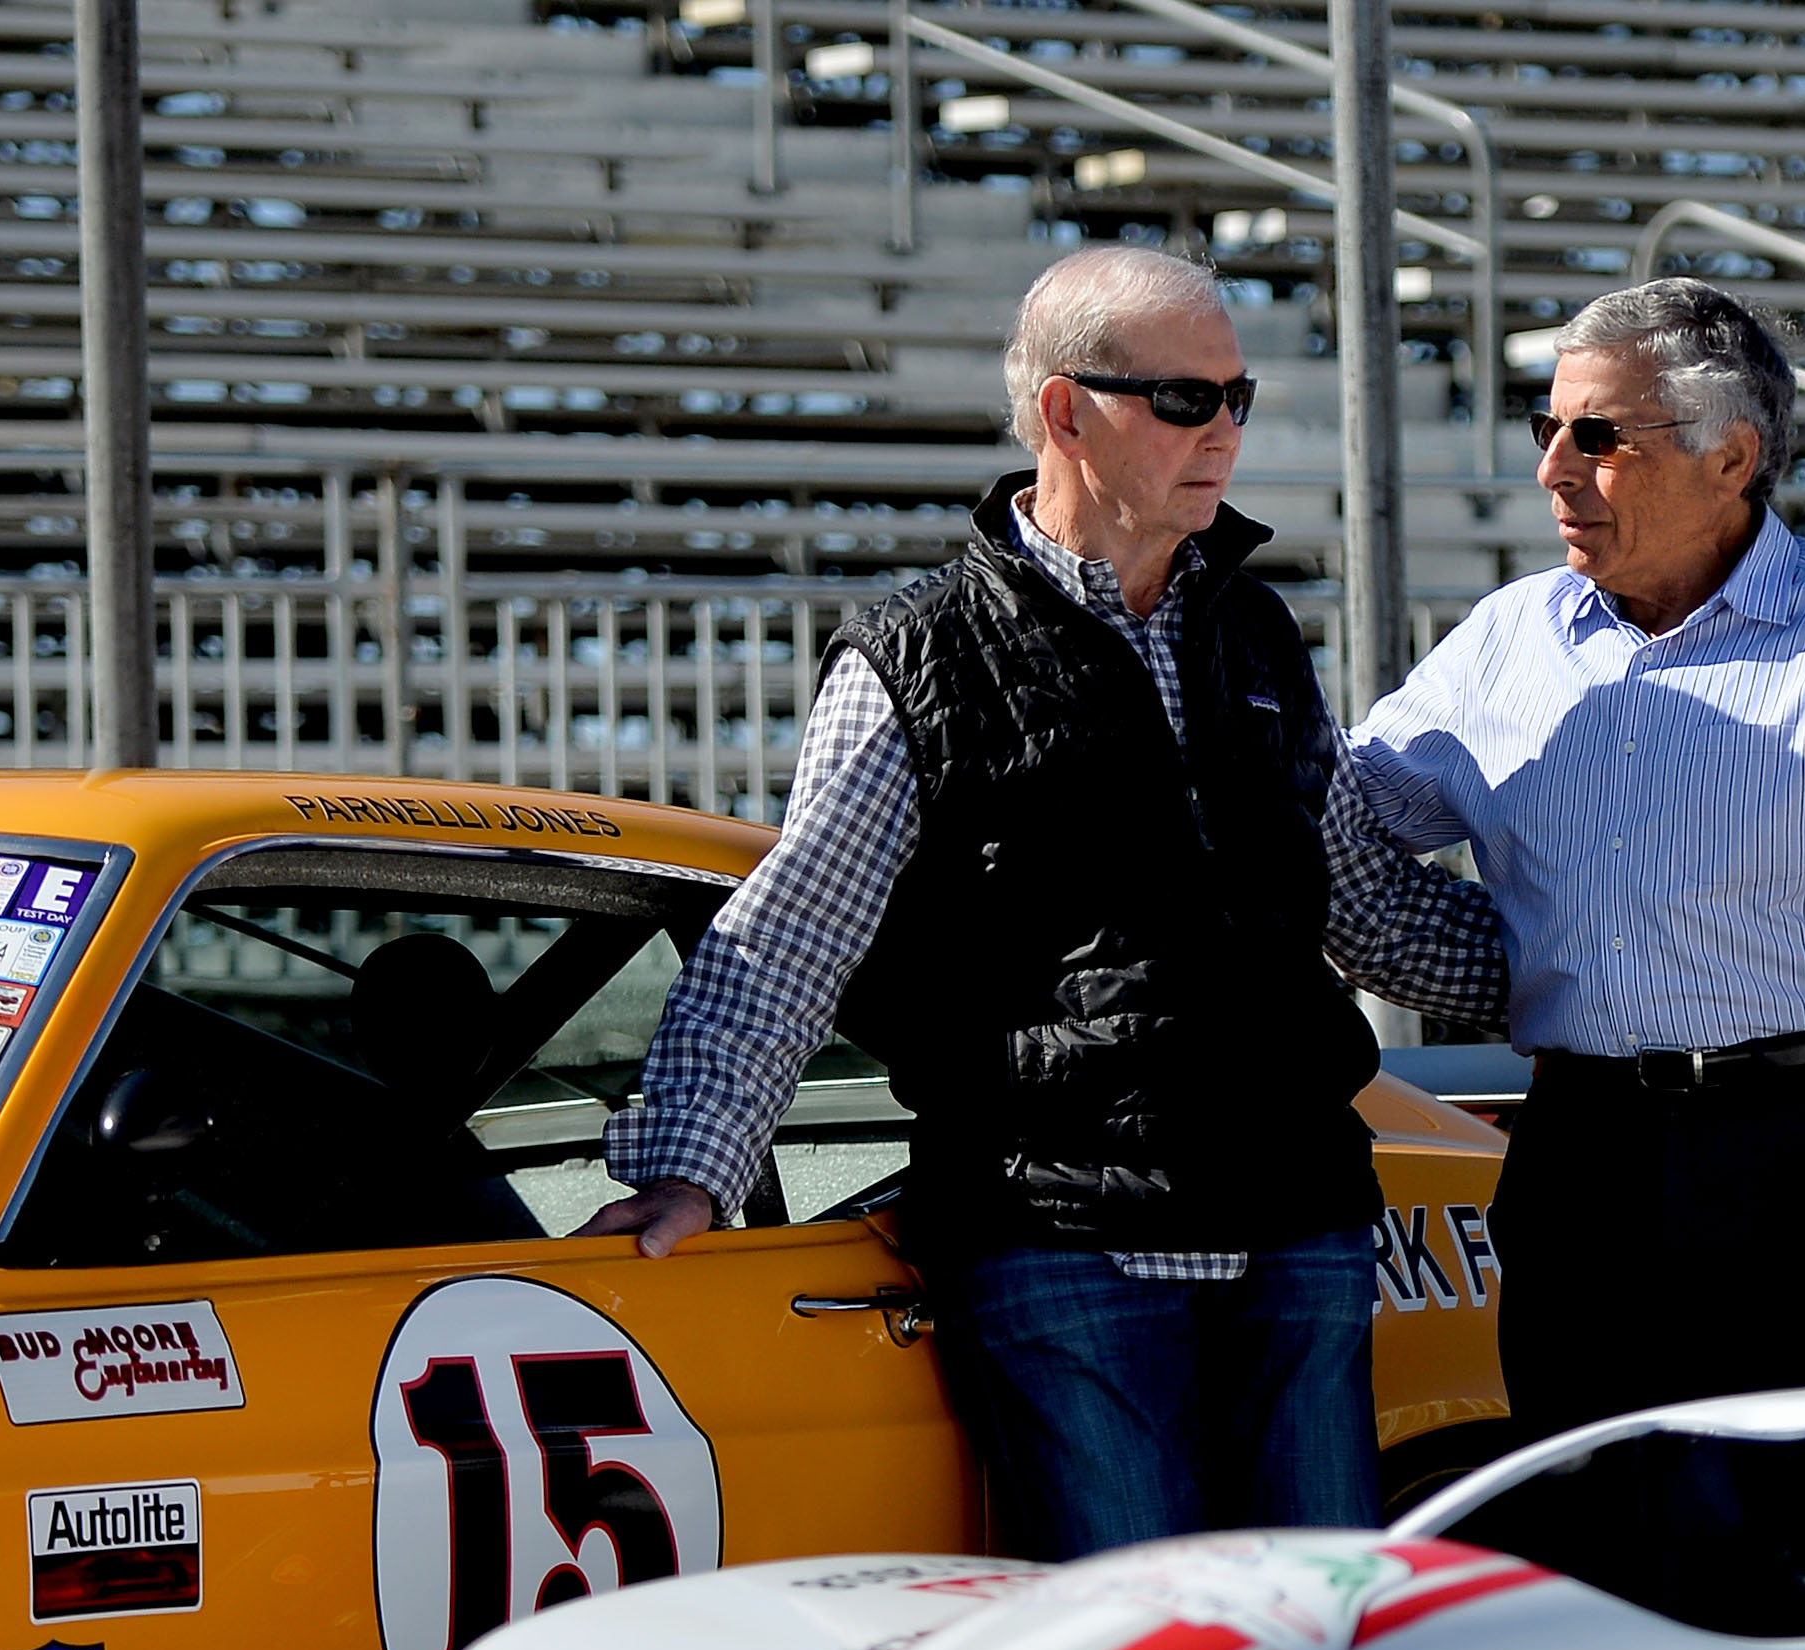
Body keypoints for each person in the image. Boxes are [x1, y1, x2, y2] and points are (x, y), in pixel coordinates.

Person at [579, 246, 1497, 1558]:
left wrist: (1607, 980)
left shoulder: (1252, 636)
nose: (1226, 430)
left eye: (1237, 396)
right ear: (1065, 412)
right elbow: (787, 939)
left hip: (1297, 1226)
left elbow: (1368, 909)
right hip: (1063, 1238)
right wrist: (690, 1166)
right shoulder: (916, 653)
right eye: (1186, 400)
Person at [1347, 277, 1805, 1439]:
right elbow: (1332, 824)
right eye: (1545, 427)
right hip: (1576, 1164)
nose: (1552, 468)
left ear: (1732, 458)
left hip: (1804, 1170)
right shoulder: (1509, 638)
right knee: (1595, 1547)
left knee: (1784, 1561)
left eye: (1598, 437)